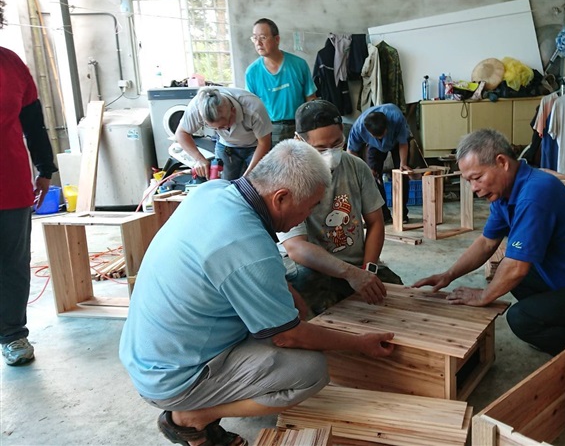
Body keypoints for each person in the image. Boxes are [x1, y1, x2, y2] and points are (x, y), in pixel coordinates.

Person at [119, 140, 395, 446]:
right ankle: (192, 418)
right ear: (281, 198)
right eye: (311, 205)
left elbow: (267, 285)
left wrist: (294, 313)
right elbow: (287, 336)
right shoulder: (248, 247)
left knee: (286, 321)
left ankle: (201, 421)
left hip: (151, 355)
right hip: (173, 378)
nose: (308, 215)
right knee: (310, 371)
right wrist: (359, 343)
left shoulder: (215, 192)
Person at [413, 129, 565, 368]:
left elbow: (517, 268)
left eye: (477, 177)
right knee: (509, 276)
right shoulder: (505, 194)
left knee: (521, 318)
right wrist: (448, 275)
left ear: (502, 162)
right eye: (468, 181)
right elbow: (486, 242)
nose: (473, 188)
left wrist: (483, 296)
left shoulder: (535, 193)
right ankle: (556, 333)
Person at [281, 100, 402, 315]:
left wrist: (368, 270)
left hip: (356, 264)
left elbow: (375, 223)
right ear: (299, 141)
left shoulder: (357, 167)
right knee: (310, 296)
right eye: (320, 148)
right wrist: (350, 274)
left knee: (395, 292)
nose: (331, 153)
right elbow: (296, 247)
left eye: (337, 144)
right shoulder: (288, 178)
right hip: (312, 267)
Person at [1, 0, 59, 366]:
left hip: (10, 183)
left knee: (12, 262)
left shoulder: (11, 65)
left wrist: (45, 168)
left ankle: (12, 334)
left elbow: (34, 124)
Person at [245, 18, 316, 146]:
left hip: (299, 126)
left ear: (277, 39)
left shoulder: (299, 65)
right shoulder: (252, 72)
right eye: (255, 38)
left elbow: (311, 99)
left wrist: (310, 128)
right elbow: (251, 107)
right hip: (270, 130)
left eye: (263, 37)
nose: (258, 43)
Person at [175, 87, 272, 181]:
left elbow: (264, 143)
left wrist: (246, 177)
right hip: (225, 146)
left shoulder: (253, 107)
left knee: (256, 183)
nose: (220, 130)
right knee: (222, 183)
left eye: (223, 126)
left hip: (255, 147)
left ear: (233, 111)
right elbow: (181, 133)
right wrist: (199, 159)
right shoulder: (196, 108)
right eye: (214, 128)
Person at [347, 103, 412, 224]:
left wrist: (403, 164)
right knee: (372, 178)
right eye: (377, 136)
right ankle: (383, 214)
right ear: (369, 133)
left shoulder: (396, 118)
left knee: (403, 175)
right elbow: (351, 151)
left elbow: (403, 142)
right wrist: (365, 168)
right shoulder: (359, 128)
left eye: (382, 134)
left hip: (397, 143)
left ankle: (401, 214)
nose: (380, 137)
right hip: (374, 146)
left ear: (387, 126)